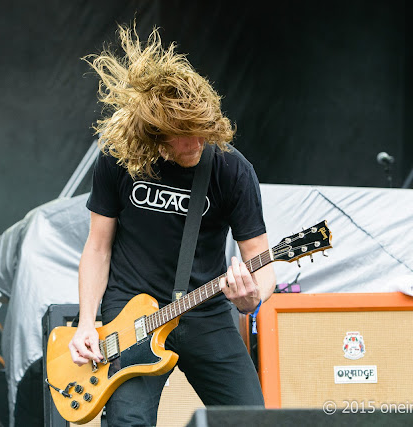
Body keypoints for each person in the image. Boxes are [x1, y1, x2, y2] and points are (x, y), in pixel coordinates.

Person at [68, 24, 276, 426]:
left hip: (204, 309)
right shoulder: (118, 160)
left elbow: (260, 258)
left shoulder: (232, 169)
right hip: (130, 311)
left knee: (250, 419)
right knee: (129, 421)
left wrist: (252, 298)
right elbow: (97, 247)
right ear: (155, 134)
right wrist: (87, 322)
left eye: (203, 131)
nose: (197, 143)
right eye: (184, 136)